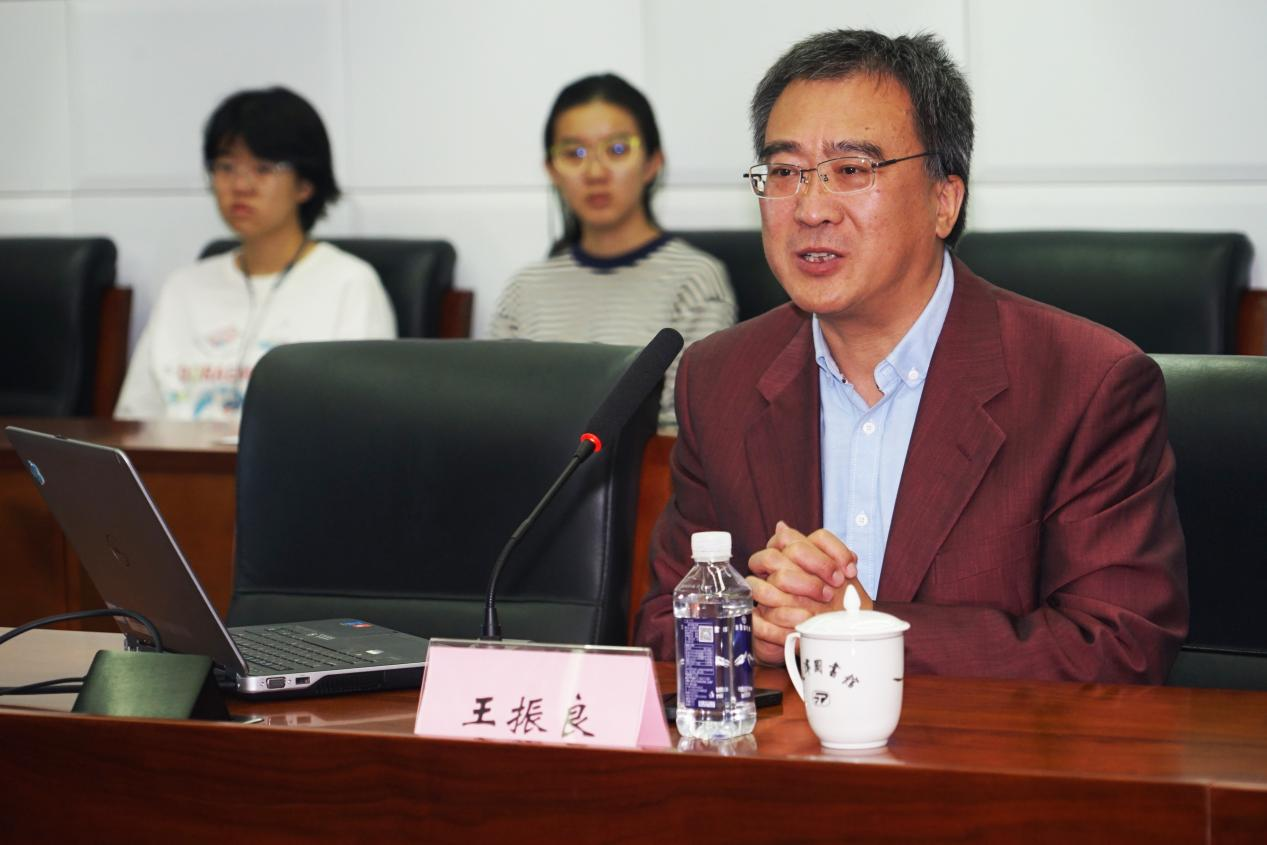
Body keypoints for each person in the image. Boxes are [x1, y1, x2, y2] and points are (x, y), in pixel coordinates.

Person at [633, 30, 1188, 683]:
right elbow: (662, 627)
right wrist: (754, 628)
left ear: (942, 200)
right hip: (784, 749)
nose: (810, 208)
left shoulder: (1084, 384)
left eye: (851, 170)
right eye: (784, 172)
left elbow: (1117, 648)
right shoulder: (718, 377)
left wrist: (859, 631)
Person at [115, 86, 395, 422]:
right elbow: (133, 422)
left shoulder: (349, 285)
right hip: (181, 457)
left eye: (263, 168)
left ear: (305, 184)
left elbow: (364, 421)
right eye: (226, 167)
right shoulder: (183, 288)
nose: (240, 186)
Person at [489, 73, 736, 433]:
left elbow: (683, 427)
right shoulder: (524, 288)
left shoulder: (695, 280)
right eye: (574, 153)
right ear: (552, 170)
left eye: (617, 150)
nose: (595, 172)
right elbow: (495, 412)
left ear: (652, 162)